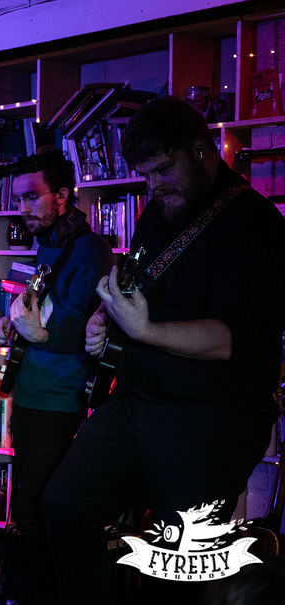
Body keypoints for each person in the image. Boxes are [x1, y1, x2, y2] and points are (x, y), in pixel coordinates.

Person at [42, 97, 285, 605]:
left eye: (163, 169)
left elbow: (228, 340)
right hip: (137, 400)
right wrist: (105, 316)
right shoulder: (157, 211)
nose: (153, 184)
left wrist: (146, 330)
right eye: (145, 173)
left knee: (176, 571)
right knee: (64, 505)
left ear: (200, 149)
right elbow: (136, 282)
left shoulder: (254, 223)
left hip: (212, 416)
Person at [0, 148, 114, 605]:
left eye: (31, 197)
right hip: (29, 390)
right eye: (18, 199)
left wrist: (38, 333)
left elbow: (85, 328)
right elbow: (40, 311)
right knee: (28, 507)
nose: (22, 208)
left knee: (36, 508)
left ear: (62, 196)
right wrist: (11, 324)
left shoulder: (90, 248)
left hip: (60, 398)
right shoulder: (46, 244)